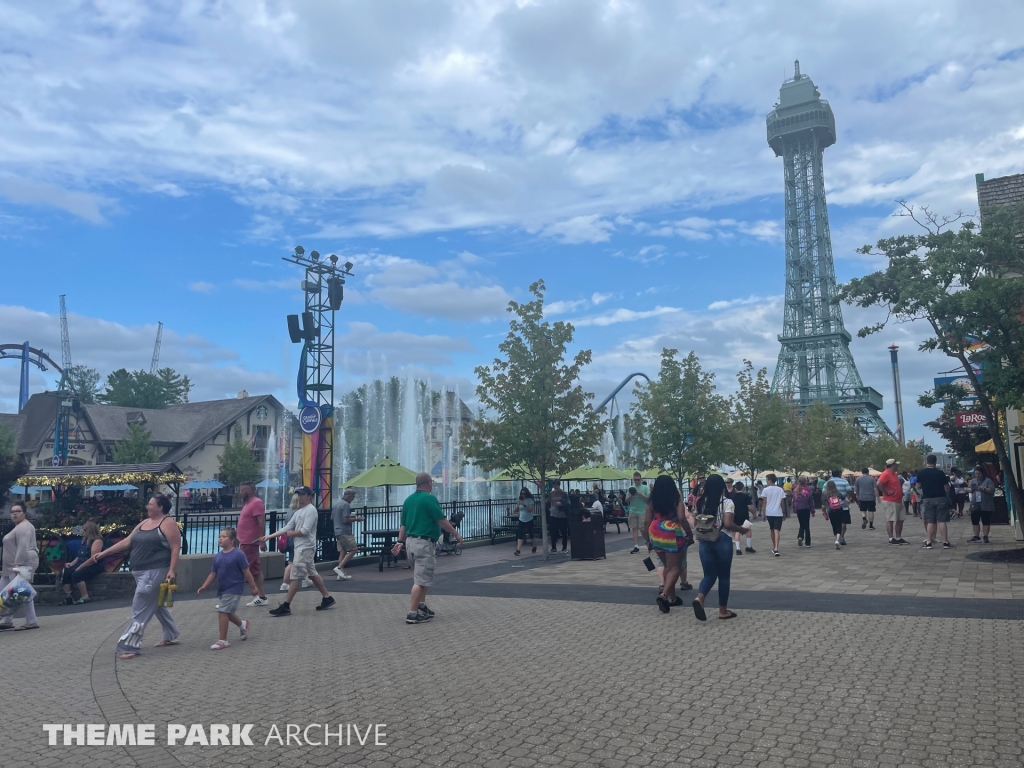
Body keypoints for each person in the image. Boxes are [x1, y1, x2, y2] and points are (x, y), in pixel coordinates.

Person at [85, 494, 181, 658]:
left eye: (150, 504)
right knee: (156, 604)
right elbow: (127, 541)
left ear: (160, 507)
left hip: (156, 570)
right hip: (139, 571)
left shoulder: (168, 524)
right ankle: (171, 634)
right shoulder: (144, 523)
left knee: (141, 607)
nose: (147, 506)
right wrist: (103, 554)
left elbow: (175, 548)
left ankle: (130, 645)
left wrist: (171, 570)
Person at [391, 473, 464, 624]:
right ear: (428, 483)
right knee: (420, 580)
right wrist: (456, 533)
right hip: (423, 543)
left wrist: (399, 542)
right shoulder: (429, 499)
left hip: (411, 542)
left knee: (422, 577)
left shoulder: (408, 500)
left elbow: (403, 524)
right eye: (432, 482)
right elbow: (442, 520)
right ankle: (412, 613)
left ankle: (421, 606)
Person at [260, 486, 335, 616]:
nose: (299, 497)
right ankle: (327, 598)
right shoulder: (299, 511)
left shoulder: (311, 510)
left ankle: (286, 606)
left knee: (295, 577)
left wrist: (291, 534)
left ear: (308, 497)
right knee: (311, 573)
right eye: (298, 494)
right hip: (302, 548)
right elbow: (286, 527)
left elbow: (305, 531)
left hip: (304, 548)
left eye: (301, 494)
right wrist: (269, 536)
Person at [692, 474, 746, 621]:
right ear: (722, 486)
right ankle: (723, 610)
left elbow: (696, 521)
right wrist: (740, 529)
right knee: (723, 576)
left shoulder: (701, 502)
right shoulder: (727, 502)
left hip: (705, 540)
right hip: (722, 540)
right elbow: (728, 524)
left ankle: (699, 598)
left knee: (709, 575)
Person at [197, 527, 257, 650]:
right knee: (228, 612)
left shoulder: (238, 554)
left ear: (232, 540)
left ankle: (223, 640)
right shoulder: (218, 556)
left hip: (234, 588)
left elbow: (246, 571)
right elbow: (213, 573)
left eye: (224, 537)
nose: (220, 539)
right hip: (223, 589)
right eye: (220, 536)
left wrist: (253, 587)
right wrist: (204, 586)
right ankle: (243, 625)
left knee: (223, 611)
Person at [642, 475, 693, 613]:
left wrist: (647, 539)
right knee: (675, 567)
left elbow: (646, 522)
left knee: (667, 566)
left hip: (655, 532)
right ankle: (664, 595)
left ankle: (673, 597)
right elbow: (682, 518)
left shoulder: (652, 501)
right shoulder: (676, 500)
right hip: (671, 534)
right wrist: (689, 533)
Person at [0, 504, 39, 631]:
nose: (14, 514)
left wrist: (18, 565)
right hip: (9, 566)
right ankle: (6, 620)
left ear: (24, 513)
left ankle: (31, 621)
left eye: (18, 511)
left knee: (22, 591)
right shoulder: (19, 527)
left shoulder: (25, 527)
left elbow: (23, 546)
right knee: (5, 592)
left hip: (19, 564)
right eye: (12, 512)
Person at [235, 481, 269, 606]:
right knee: (255, 571)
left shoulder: (256, 503)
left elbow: (261, 522)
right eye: (240, 489)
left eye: (243, 490)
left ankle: (230, 599)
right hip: (245, 542)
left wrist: (261, 540)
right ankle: (262, 597)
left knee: (239, 570)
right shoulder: (247, 504)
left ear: (251, 490)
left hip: (250, 542)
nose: (241, 492)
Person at [61, 520, 104, 605]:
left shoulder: (97, 541)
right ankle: (69, 596)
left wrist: (80, 567)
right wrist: (72, 564)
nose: (82, 532)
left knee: (77, 574)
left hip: (93, 564)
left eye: (84, 530)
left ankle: (85, 597)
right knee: (65, 572)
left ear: (90, 531)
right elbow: (80, 555)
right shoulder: (84, 540)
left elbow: (93, 558)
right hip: (82, 562)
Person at [279, 492, 313, 591]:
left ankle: (306, 579)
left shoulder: (289, 512)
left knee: (297, 561)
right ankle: (285, 583)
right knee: (292, 563)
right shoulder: (300, 512)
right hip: (296, 539)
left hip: (289, 539)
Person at [917, 455, 952, 549]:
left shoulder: (921, 473)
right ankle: (945, 542)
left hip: (927, 498)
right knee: (942, 521)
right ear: (935, 462)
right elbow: (946, 486)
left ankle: (929, 542)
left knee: (930, 521)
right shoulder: (940, 473)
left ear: (926, 461)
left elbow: (918, 485)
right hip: (941, 498)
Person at [332, 488, 364, 579]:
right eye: (352, 497)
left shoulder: (337, 504)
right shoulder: (345, 505)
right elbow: (345, 520)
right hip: (345, 531)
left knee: (343, 551)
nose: (353, 499)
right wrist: (356, 519)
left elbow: (332, 517)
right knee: (354, 549)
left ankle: (340, 574)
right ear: (349, 496)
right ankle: (339, 568)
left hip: (337, 530)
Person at [877, 459, 907, 545]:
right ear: (892, 465)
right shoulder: (886, 474)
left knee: (900, 519)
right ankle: (891, 538)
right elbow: (879, 483)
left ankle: (898, 537)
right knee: (891, 519)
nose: (897, 466)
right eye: (896, 465)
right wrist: (886, 492)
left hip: (898, 500)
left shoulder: (894, 474)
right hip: (890, 500)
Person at [760, 474, 786, 556]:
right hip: (778, 513)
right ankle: (776, 548)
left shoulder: (765, 490)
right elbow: (782, 502)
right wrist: (784, 512)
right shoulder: (780, 489)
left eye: (767, 480)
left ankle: (774, 545)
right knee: (777, 530)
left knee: (772, 529)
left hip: (769, 513)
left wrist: (763, 513)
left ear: (770, 481)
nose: (766, 481)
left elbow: (764, 503)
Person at [968, 467, 996, 543]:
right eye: (976, 473)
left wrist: (983, 489)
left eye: (979, 473)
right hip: (975, 502)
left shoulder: (988, 481)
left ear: (983, 473)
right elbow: (969, 489)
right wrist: (971, 489)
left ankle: (985, 536)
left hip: (985, 503)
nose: (977, 475)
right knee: (975, 520)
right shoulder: (973, 481)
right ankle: (976, 536)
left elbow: (992, 490)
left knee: (985, 520)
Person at [627, 471, 650, 554]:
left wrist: (641, 494)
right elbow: (626, 500)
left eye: (638, 479)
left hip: (642, 511)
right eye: (635, 480)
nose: (636, 481)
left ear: (641, 479)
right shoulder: (631, 488)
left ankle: (648, 542)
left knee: (643, 528)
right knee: (634, 528)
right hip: (633, 510)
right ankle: (636, 546)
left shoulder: (645, 488)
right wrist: (631, 495)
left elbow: (648, 498)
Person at [828, 469, 852, 546]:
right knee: (843, 523)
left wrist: (824, 507)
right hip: (843, 507)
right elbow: (850, 491)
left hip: (831, 508)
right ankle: (841, 537)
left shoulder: (827, 483)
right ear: (839, 474)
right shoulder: (844, 481)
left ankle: (837, 539)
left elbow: (823, 495)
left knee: (835, 524)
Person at [731, 481, 755, 555]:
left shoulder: (733, 497)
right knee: (748, 530)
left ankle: (738, 549)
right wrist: (754, 514)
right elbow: (750, 507)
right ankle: (749, 546)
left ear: (735, 488)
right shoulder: (746, 496)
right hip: (744, 515)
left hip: (735, 515)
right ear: (743, 488)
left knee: (737, 531)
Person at [822, 480, 846, 549]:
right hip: (839, 510)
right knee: (839, 525)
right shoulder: (837, 493)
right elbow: (844, 498)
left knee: (834, 526)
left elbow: (823, 505)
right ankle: (837, 540)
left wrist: (824, 512)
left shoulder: (825, 494)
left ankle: (836, 540)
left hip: (831, 511)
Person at [792, 477, 815, 547]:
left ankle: (800, 536)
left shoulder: (795, 490)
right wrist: (812, 511)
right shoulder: (807, 490)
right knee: (806, 525)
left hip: (799, 509)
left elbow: (794, 501)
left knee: (801, 524)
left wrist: (794, 509)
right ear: (805, 482)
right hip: (806, 508)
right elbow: (810, 501)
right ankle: (807, 542)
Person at [514, 487, 536, 556]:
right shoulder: (520, 500)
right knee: (520, 534)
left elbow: (530, 510)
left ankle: (534, 545)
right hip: (521, 519)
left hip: (529, 519)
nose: (523, 495)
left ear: (526, 493)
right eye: (521, 493)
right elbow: (516, 510)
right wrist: (517, 512)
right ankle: (518, 550)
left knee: (530, 533)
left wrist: (524, 505)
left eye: (524, 493)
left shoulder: (530, 500)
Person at [548, 480, 569, 553]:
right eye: (553, 485)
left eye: (555, 485)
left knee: (563, 532)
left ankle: (564, 547)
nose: (554, 487)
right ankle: (553, 547)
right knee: (553, 532)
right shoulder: (551, 493)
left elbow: (567, 503)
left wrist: (562, 504)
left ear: (558, 485)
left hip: (562, 515)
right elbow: (549, 501)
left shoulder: (563, 493)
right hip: (553, 514)